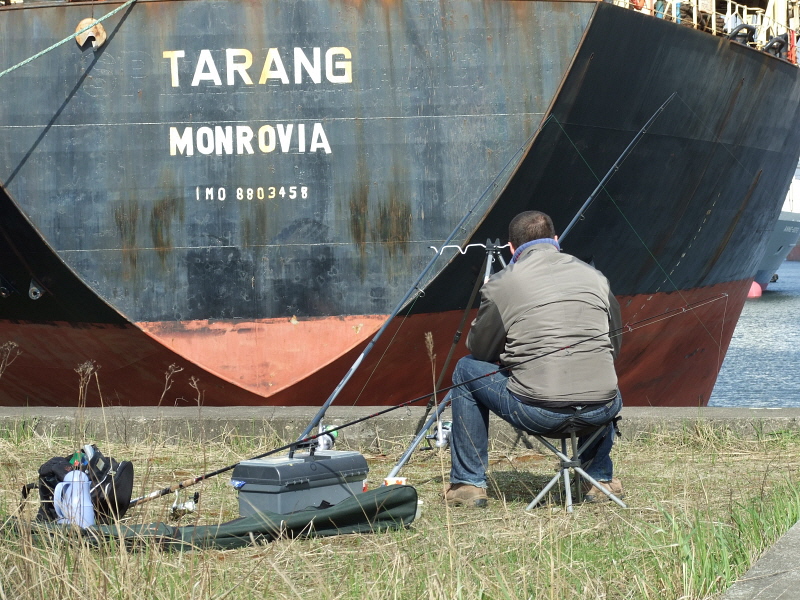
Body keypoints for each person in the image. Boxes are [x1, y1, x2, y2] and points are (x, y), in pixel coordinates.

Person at [444, 211, 623, 508]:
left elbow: (481, 351)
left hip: (539, 414)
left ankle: (468, 484)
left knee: (466, 370)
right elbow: (613, 345)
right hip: (600, 410)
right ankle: (600, 480)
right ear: (555, 241)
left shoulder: (503, 283)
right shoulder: (596, 277)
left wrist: (512, 356)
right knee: (600, 373)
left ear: (511, 249)